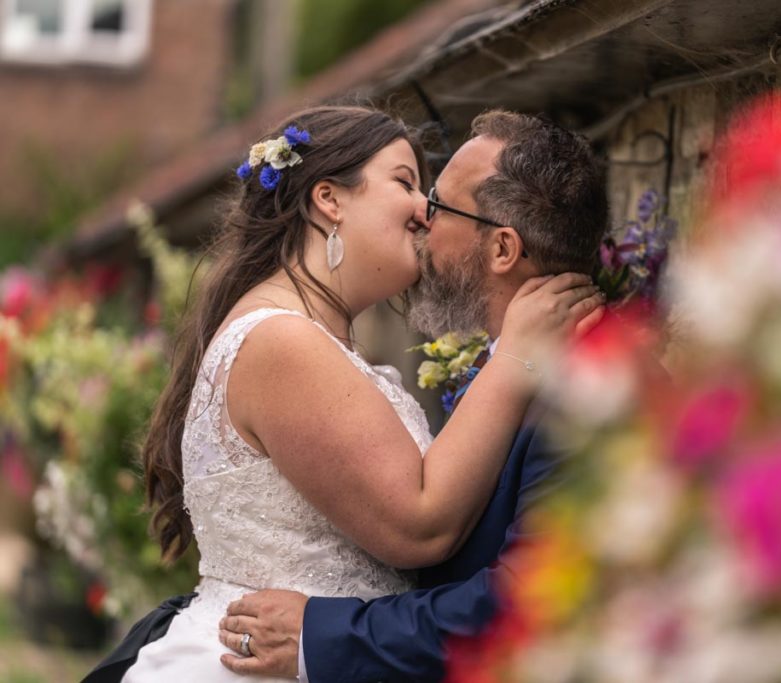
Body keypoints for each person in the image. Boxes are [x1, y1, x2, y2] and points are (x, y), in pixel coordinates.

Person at [84, 105, 603, 682]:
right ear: (329, 200)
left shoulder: (316, 345)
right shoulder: (284, 342)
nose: (422, 211)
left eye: (430, 195)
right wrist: (514, 359)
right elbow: (421, 524)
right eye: (406, 183)